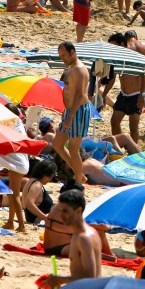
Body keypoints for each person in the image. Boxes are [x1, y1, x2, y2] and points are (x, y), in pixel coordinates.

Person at [52, 42, 94, 187]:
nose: (62, 58)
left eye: (64, 55)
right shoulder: (71, 69)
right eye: (60, 56)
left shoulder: (80, 70)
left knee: (73, 148)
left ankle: (78, 181)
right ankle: (79, 174)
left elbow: (80, 94)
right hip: (69, 111)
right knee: (57, 143)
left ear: (72, 52)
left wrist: (70, 117)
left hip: (78, 111)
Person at [43, 190, 101, 288]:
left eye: (65, 211)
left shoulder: (83, 238)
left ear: (78, 211)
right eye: (59, 210)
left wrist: (59, 279)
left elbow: (91, 277)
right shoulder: (86, 232)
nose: (61, 215)